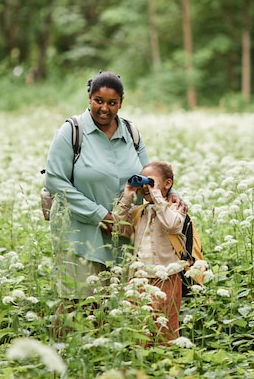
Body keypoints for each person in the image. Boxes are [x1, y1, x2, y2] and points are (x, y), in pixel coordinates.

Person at [43, 71, 184, 335]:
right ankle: (63, 360)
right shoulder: (71, 132)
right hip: (79, 234)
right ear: (89, 98)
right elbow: (55, 181)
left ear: (121, 102)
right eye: (98, 101)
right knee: (76, 305)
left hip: (123, 235)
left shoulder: (131, 132)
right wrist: (100, 215)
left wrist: (171, 192)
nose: (104, 108)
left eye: (111, 103)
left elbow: (148, 173)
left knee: (112, 307)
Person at [113, 161, 186, 344]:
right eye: (142, 182)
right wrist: (128, 195)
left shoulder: (175, 208)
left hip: (167, 278)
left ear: (167, 183)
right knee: (139, 329)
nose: (145, 187)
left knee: (166, 329)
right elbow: (117, 226)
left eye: (151, 181)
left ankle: (167, 365)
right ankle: (142, 365)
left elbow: (172, 224)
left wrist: (157, 196)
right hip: (140, 278)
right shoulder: (140, 212)